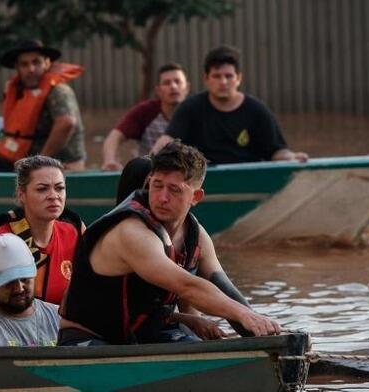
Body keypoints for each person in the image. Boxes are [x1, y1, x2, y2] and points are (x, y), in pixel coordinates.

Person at [58, 140, 282, 345]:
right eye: (157, 185)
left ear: (196, 197)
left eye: (175, 190)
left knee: (200, 350)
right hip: (88, 339)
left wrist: (265, 337)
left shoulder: (196, 235)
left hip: (146, 334)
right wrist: (244, 315)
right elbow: (188, 286)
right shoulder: (131, 232)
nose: (162, 197)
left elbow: (225, 289)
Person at [153, 46, 307, 164]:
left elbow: (277, 152)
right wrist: (151, 159)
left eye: (229, 76)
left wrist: (293, 158)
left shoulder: (257, 111)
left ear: (238, 78)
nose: (223, 82)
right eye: (217, 76)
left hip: (249, 181)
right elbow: (167, 140)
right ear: (206, 78)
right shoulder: (190, 108)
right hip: (201, 183)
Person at [0, 39, 86, 172]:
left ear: (47, 63)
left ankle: (10, 190)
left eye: (36, 62)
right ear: (17, 68)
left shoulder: (58, 91)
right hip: (25, 160)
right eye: (24, 64)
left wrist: (39, 163)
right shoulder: (19, 91)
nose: (31, 69)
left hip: (58, 164)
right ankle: (6, 191)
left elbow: (66, 124)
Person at [0, 155, 82, 305]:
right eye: (42, 189)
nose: (54, 196)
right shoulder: (1, 242)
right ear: (21, 195)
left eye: (59, 188)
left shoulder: (73, 232)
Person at [101, 64, 189, 171]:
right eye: (166, 83)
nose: (173, 86)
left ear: (187, 87)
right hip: (150, 174)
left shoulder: (197, 111)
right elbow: (114, 137)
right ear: (158, 91)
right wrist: (110, 160)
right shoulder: (146, 111)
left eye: (178, 81)